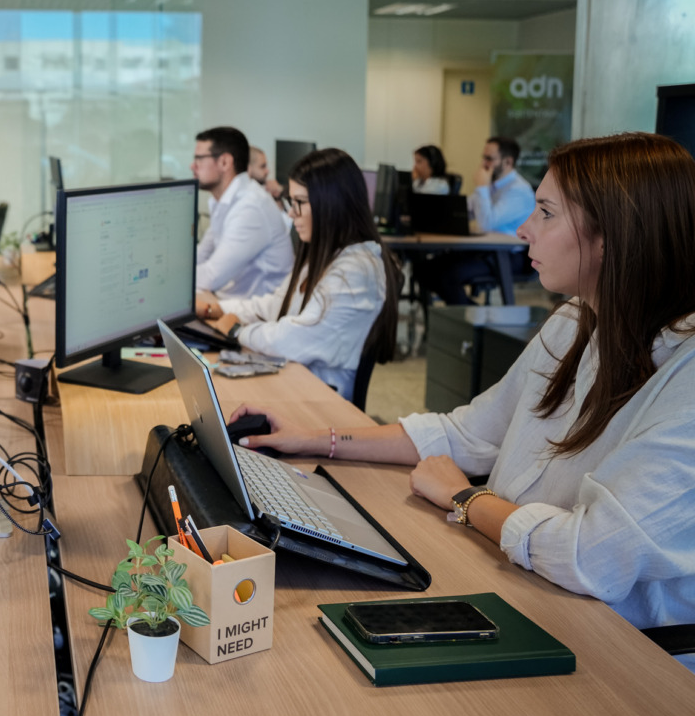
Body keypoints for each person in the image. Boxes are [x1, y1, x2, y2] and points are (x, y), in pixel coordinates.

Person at [232, 133, 695, 671]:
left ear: (613, 237)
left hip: (615, 650)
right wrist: (312, 439)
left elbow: (591, 555)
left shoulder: (684, 375)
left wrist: (467, 498)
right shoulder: (575, 323)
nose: (524, 229)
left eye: (546, 213)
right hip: (515, 580)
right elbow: (466, 433)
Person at [199, 148, 399, 401]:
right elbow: (275, 304)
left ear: (331, 204)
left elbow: (292, 340)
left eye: (300, 203)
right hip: (295, 381)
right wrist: (216, 309)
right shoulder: (327, 255)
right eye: (291, 202)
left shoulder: (357, 271)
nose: (291, 213)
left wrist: (237, 330)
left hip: (319, 401)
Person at [419, 136, 536, 305]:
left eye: (489, 159)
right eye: (483, 157)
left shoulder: (519, 190)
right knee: (424, 270)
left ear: (508, 162)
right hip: (484, 251)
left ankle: (469, 317)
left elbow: (486, 223)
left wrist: (481, 187)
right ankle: (469, 313)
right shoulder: (492, 184)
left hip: (509, 256)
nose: (483, 164)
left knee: (447, 276)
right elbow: (465, 211)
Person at [192, 127, 294, 300]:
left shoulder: (250, 207)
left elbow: (211, 277)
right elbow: (201, 254)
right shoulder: (224, 201)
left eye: (199, 159)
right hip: (234, 299)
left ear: (225, 162)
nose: (192, 166)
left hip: (256, 311)